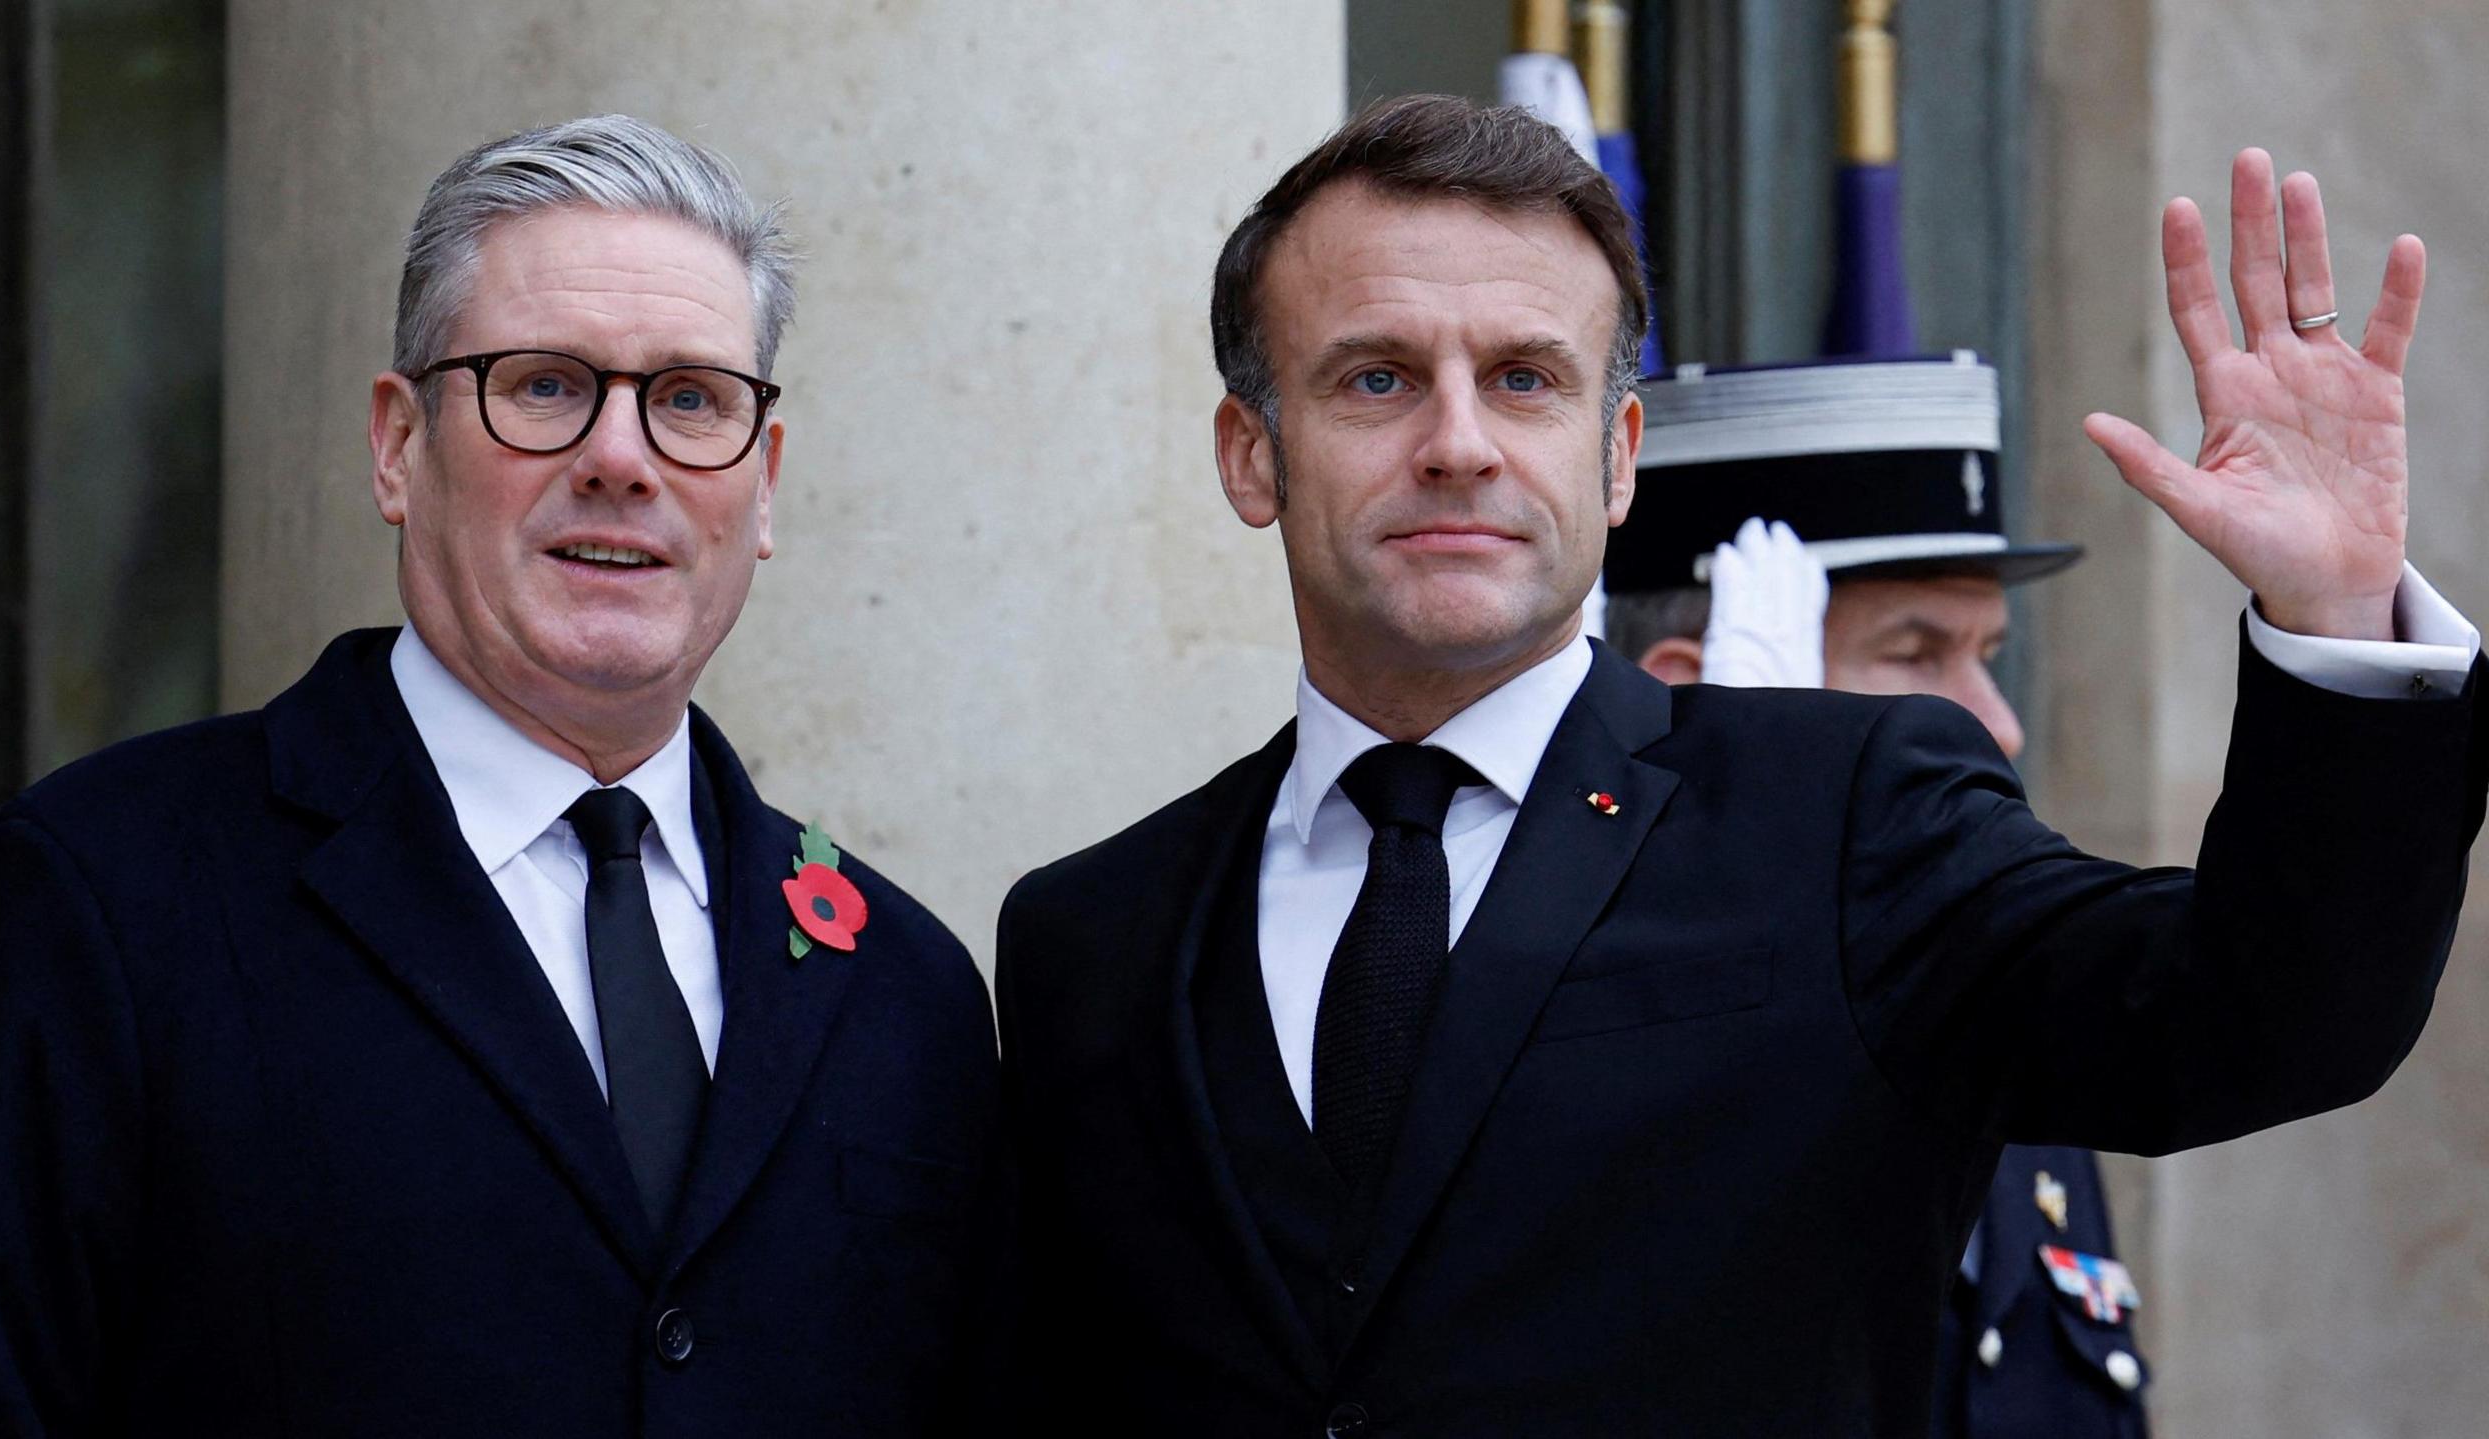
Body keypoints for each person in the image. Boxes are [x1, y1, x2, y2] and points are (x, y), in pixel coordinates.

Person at [994, 94, 2482, 1436]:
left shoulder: (1847, 810)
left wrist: (2337, 620)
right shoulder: (1089, 934)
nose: (1458, 443)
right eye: (1377, 380)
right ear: (1253, 454)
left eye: (1525, 380)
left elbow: (2260, 1014)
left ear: (1618, 454)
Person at [0, 116, 997, 1435]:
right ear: (398, 445)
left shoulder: (902, 985)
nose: (623, 457)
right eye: (545, 385)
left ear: (762, 488)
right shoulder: (95, 900)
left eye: (690, 400)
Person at [1602, 352, 2150, 1437]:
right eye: (1915, 653)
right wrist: (1742, 804)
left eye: (1989, 653)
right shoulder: (1584, 1038)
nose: (1998, 721)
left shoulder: (1984, 990)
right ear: (1696, 686)